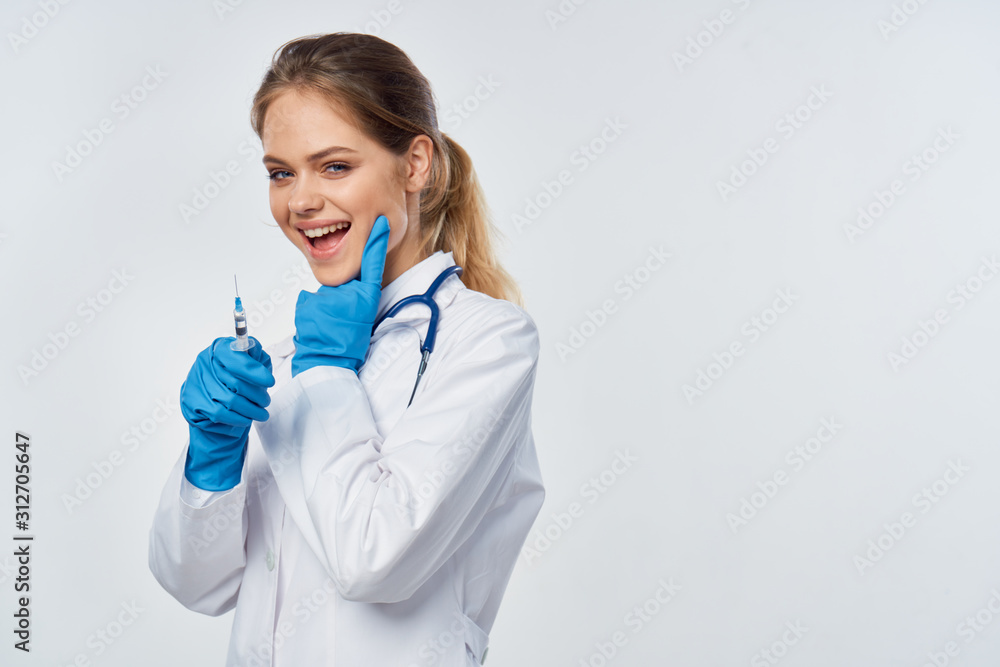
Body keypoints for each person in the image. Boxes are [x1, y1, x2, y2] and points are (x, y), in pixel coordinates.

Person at [148, 32, 545, 666]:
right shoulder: (286, 360)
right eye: (281, 173)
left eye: (334, 166)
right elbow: (199, 586)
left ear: (415, 164)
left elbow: (374, 561)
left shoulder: (488, 342)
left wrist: (328, 374)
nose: (301, 200)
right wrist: (210, 460)